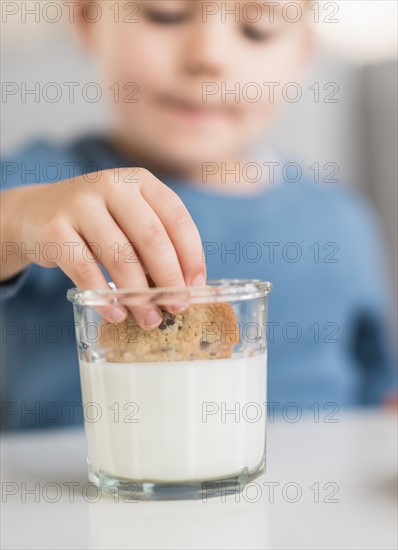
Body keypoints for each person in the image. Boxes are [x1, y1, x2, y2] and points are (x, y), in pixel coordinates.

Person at [1, 0, 396, 430]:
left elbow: (376, 392)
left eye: (256, 28)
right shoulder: (45, 190)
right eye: (164, 13)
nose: (207, 55)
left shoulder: (341, 222)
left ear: (303, 52)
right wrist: (20, 220)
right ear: (87, 18)